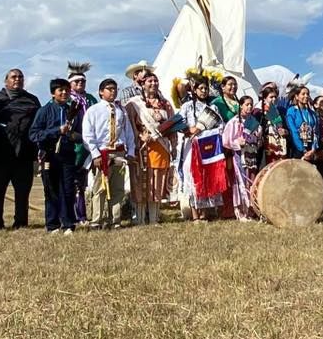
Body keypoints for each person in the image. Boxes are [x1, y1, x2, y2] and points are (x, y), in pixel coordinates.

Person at [0, 68, 41, 231]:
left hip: (24, 154)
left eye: (20, 77)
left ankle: (21, 222)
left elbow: (38, 126)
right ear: (6, 80)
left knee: (22, 192)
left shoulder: (32, 100)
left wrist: (39, 150)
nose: (18, 79)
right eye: (14, 77)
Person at [29, 78, 82, 235]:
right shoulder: (44, 111)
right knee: (51, 190)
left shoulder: (72, 111)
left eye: (67, 90)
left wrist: (72, 135)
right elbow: (34, 134)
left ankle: (68, 223)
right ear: (53, 93)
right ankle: (52, 224)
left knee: (68, 189)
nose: (64, 93)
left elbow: (80, 134)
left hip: (67, 155)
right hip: (49, 155)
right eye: (61, 90)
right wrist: (57, 131)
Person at [82, 78, 136, 228]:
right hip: (102, 153)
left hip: (118, 152)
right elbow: (87, 134)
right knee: (100, 188)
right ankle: (96, 220)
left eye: (115, 89)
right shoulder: (93, 110)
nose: (113, 91)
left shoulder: (121, 111)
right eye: (109, 89)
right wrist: (95, 154)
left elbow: (128, 133)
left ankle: (115, 220)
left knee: (117, 188)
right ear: (101, 92)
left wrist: (130, 151)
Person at [126, 72, 177, 225]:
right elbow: (128, 125)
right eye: (150, 81)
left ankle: (154, 218)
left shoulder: (166, 103)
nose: (153, 83)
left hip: (160, 148)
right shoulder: (133, 103)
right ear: (142, 84)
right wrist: (139, 136)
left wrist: (173, 146)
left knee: (157, 182)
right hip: (141, 149)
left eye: (156, 80)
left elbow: (172, 125)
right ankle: (140, 218)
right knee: (140, 182)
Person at [177, 76, 225, 221]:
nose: (204, 91)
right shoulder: (187, 107)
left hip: (208, 147)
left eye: (206, 88)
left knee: (207, 176)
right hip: (191, 148)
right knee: (193, 177)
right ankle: (195, 215)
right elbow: (178, 123)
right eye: (201, 88)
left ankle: (205, 213)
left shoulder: (213, 107)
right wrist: (189, 130)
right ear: (194, 90)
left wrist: (206, 131)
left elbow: (220, 126)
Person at [67, 61, 98, 225]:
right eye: (77, 82)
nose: (80, 84)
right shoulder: (67, 100)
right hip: (73, 146)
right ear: (70, 84)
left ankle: (82, 215)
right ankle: (71, 215)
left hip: (89, 146)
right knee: (71, 183)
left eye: (83, 81)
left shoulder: (91, 99)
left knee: (82, 184)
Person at [221, 95, 262, 219]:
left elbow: (259, 138)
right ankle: (241, 212)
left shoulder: (255, 123)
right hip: (239, 156)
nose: (249, 107)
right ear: (240, 105)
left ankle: (251, 210)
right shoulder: (234, 122)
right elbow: (226, 141)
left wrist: (257, 140)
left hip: (252, 155)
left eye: (251, 104)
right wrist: (237, 143)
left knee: (252, 180)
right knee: (241, 182)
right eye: (247, 104)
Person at [285, 85, 319, 161]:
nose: (306, 96)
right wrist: (303, 150)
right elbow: (293, 131)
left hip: (311, 149)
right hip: (297, 149)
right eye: (303, 94)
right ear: (297, 96)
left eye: (307, 94)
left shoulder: (313, 114)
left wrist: (313, 149)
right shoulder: (292, 111)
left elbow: (316, 132)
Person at [257, 84, 288, 165]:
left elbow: (284, 129)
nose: (274, 99)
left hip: (278, 145)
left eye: (275, 97)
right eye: (271, 97)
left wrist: (285, 131)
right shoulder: (258, 111)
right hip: (265, 147)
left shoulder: (277, 112)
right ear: (264, 98)